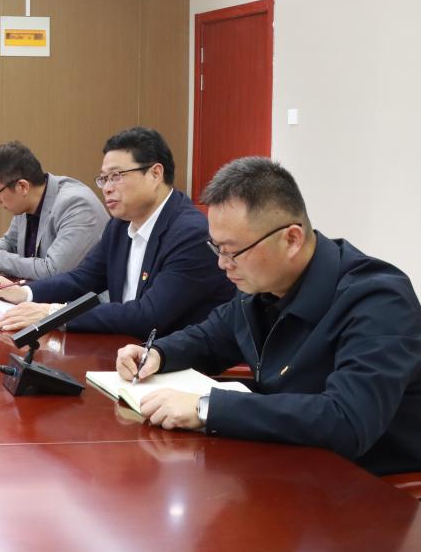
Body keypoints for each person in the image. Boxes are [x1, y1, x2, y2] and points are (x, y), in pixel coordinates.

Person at [116, 156, 421, 476]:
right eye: (216, 248)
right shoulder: (261, 287)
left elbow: (346, 421)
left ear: (291, 239)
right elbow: (210, 338)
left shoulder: (379, 300)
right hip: (287, 459)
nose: (222, 263)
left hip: (370, 483)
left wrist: (206, 408)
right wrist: (158, 354)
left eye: (232, 251)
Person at [0, 127, 232, 337]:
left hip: (175, 364)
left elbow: (148, 316)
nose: (107, 188)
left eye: (116, 176)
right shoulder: (120, 225)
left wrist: (53, 313)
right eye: (104, 179)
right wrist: (25, 292)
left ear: (155, 174)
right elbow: (83, 278)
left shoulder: (190, 234)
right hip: (124, 350)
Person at [0, 141, 107, 279]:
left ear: (22, 186)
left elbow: (53, 270)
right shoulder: (28, 203)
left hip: (85, 302)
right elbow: (10, 243)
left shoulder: (76, 205)